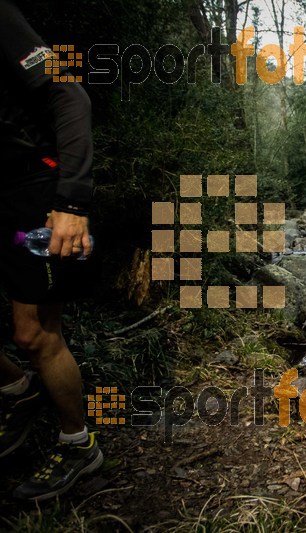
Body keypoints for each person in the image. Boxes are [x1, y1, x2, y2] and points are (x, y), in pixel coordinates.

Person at [0, 0, 102, 501]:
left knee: (35, 332)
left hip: (34, 194)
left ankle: (77, 443)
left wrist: (71, 201)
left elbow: (70, 94)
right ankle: (18, 392)